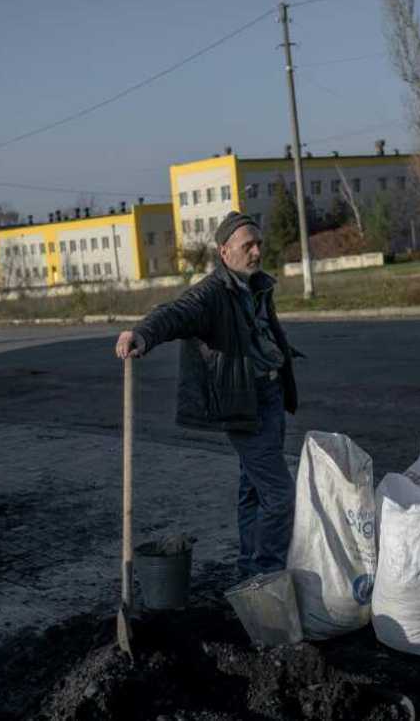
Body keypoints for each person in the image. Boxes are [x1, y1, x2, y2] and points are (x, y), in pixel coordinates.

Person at [115, 211, 301, 580]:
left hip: (270, 393)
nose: (256, 251)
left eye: (259, 243)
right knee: (280, 495)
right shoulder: (212, 293)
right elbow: (175, 312)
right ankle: (268, 575)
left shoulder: (257, 284)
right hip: (243, 403)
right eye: (247, 245)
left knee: (253, 488)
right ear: (224, 251)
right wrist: (142, 334)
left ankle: (251, 573)